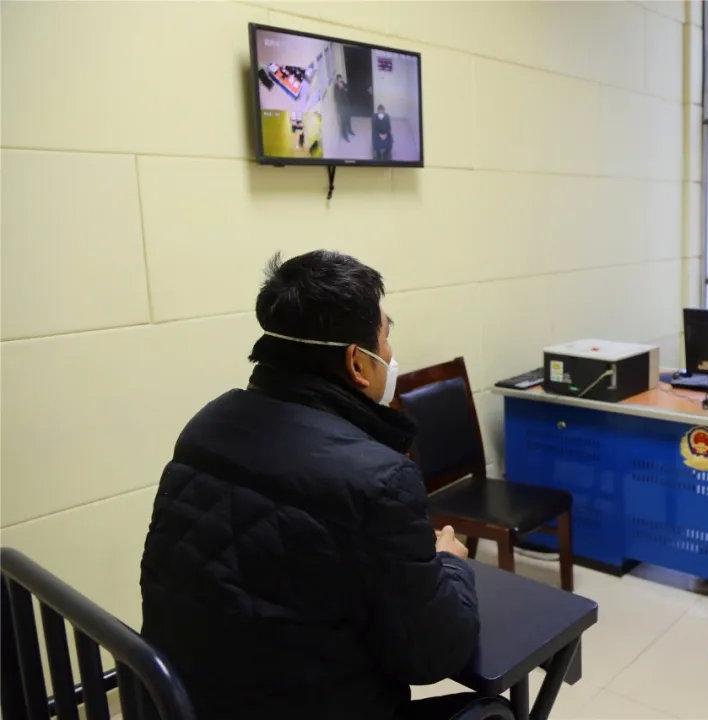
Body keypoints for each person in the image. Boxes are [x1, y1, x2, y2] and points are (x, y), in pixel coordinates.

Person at [140, 250, 481, 720]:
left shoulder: (204, 428)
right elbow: (435, 654)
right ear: (357, 363)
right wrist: (451, 564)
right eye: (386, 336)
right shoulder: (377, 478)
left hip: (185, 704)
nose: (390, 353)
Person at [333, 74, 354, 142]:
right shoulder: (336, 87)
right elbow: (336, 98)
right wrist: (340, 89)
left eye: (341, 79)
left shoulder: (343, 83)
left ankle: (350, 130)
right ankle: (345, 136)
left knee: (348, 119)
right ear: (337, 80)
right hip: (341, 107)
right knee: (343, 122)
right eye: (339, 80)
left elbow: (348, 90)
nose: (340, 81)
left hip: (347, 105)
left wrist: (344, 87)